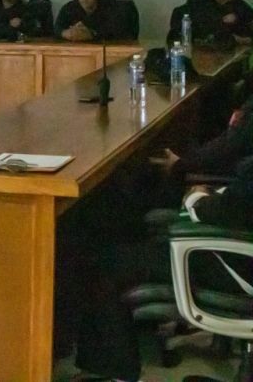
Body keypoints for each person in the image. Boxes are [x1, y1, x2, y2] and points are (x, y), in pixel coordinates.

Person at [64, 158, 253, 381]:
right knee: (129, 239)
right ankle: (133, 347)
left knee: (104, 262)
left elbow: (230, 211)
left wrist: (196, 198)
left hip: (233, 261)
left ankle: (113, 372)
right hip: (234, 250)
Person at [54, 0, 134, 42]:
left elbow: (118, 31)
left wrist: (92, 34)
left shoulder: (112, 6)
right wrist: (65, 33)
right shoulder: (70, 8)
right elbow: (57, 28)